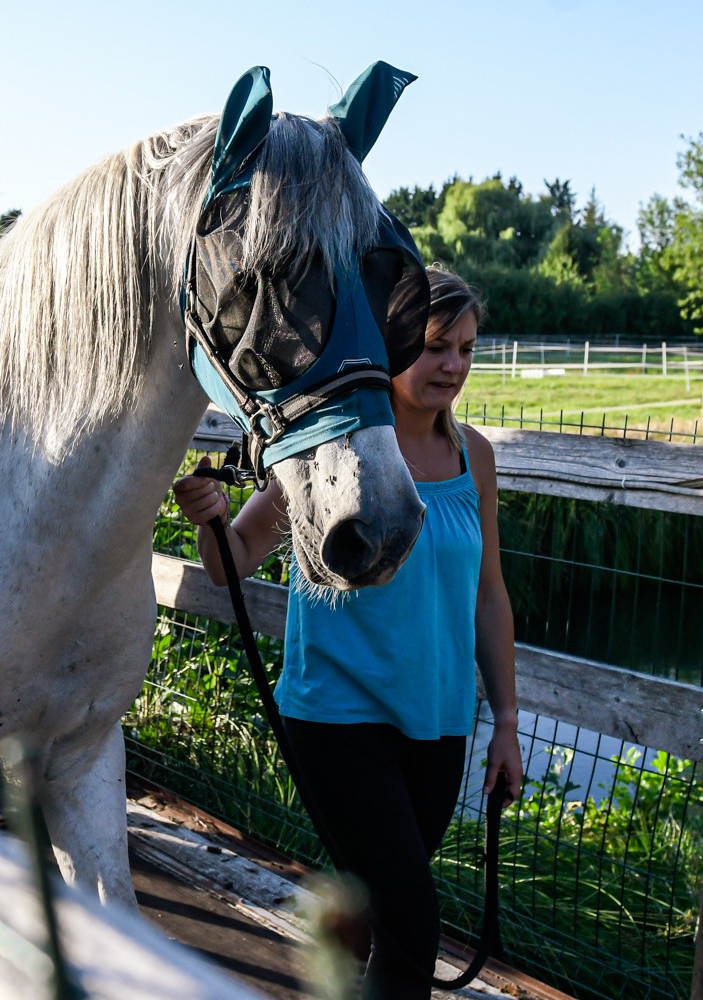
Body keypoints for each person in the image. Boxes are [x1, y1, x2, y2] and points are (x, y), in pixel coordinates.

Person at [173, 265, 523, 999]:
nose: (453, 366)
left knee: (375, 924)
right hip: (338, 719)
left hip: (437, 725)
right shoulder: (331, 451)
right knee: (413, 924)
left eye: (465, 348)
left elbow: (489, 597)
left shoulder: (474, 457)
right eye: (434, 347)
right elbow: (232, 560)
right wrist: (207, 515)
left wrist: (508, 723)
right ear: (392, 344)